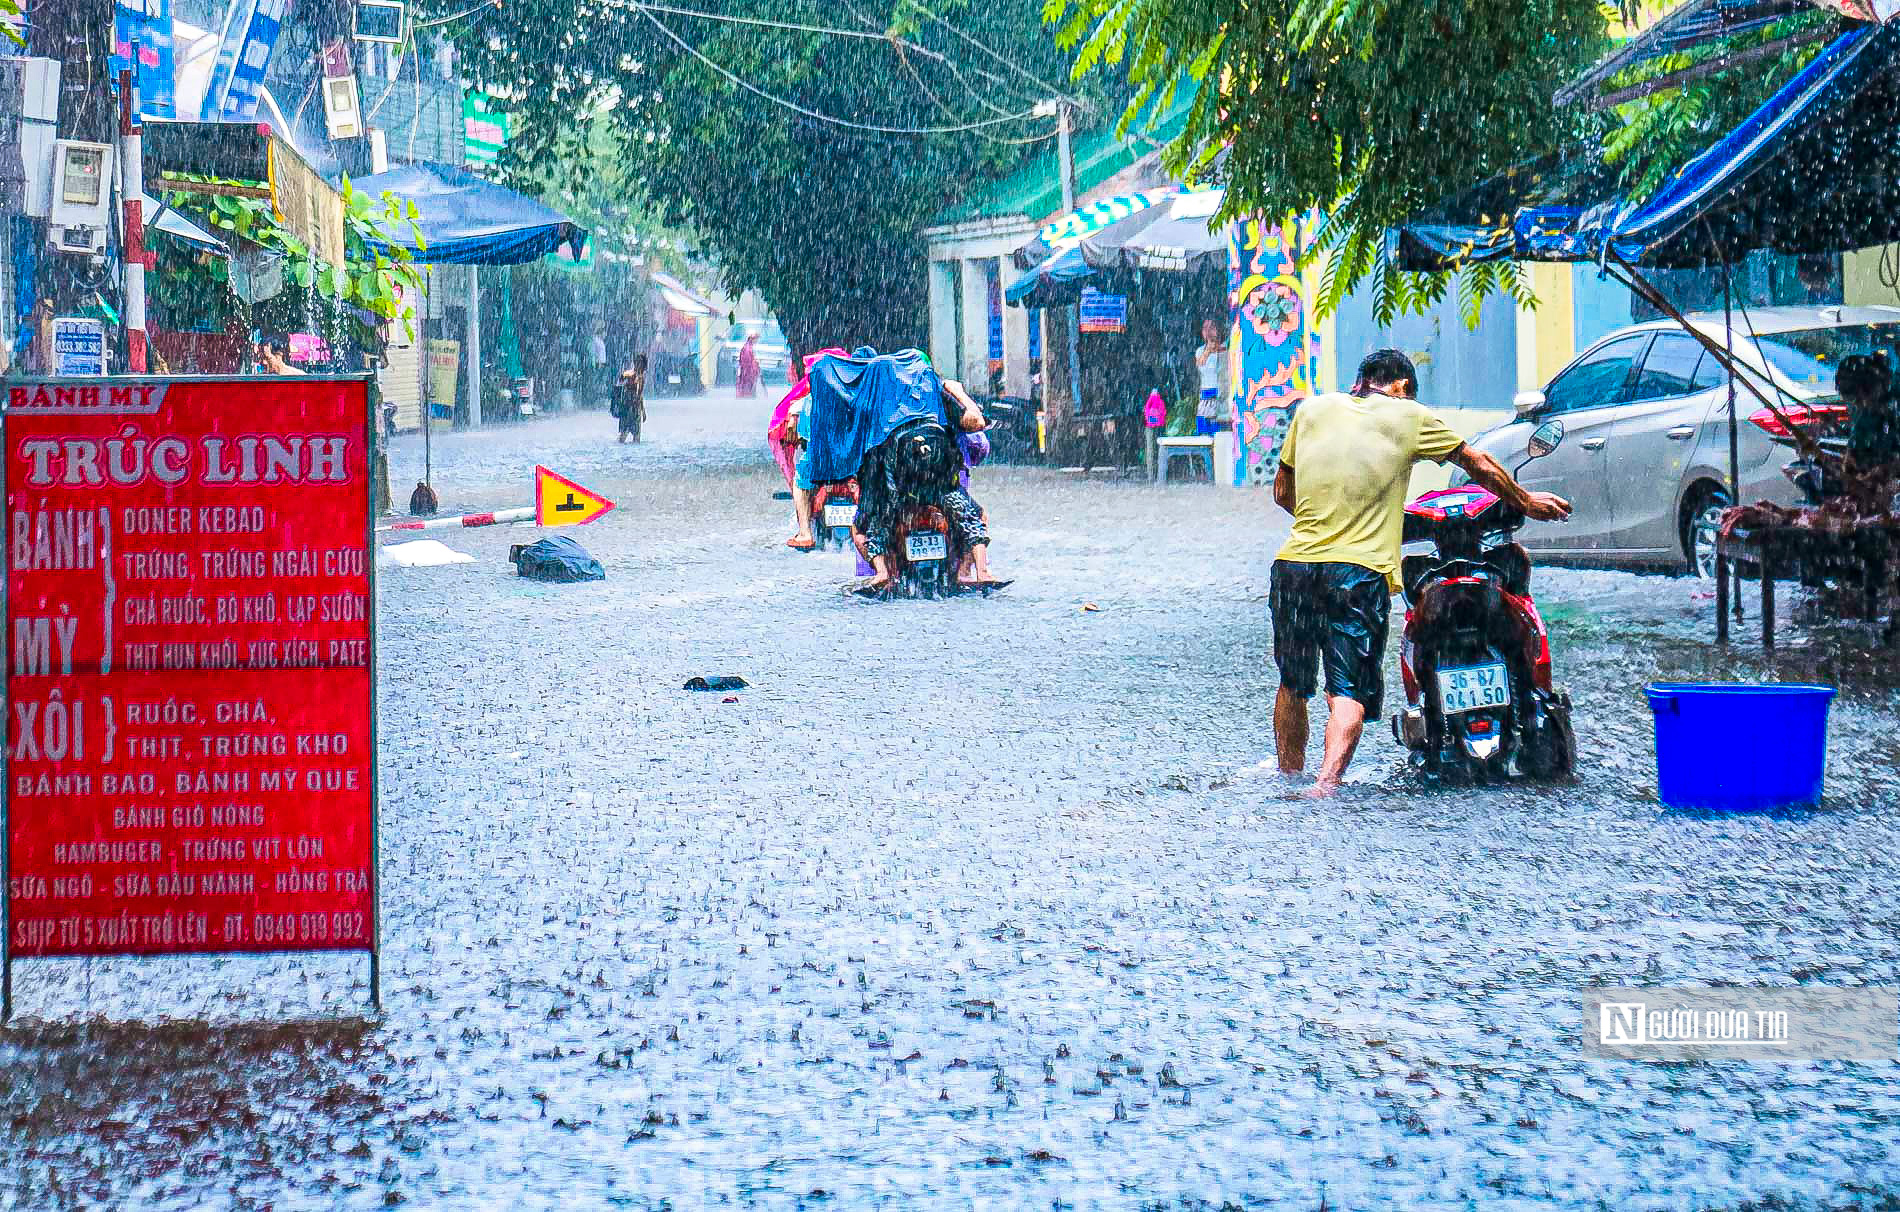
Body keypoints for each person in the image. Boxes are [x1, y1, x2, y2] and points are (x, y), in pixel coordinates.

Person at [1270, 349, 1571, 797]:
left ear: (1359, 381)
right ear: (1401, 387)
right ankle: (1325, 785)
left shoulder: (1312, 409)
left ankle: (1288, 777)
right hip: (1358, 572)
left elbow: (1282, 493)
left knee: (1294, 684)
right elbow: (1479, 465)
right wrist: (1526, 502)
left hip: (1294, 566)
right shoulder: (1408, 414)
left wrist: (1331, 517)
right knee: (1345, 691)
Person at [857, 377, 999, 589]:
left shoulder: (879, 408)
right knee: (975, 518)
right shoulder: (939, 400)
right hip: (941, 490)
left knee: (864, 527)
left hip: (900, 494)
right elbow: (977, 429)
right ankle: (978, 571)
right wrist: (958, 393)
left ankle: (882, 572)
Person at [1839, 351, 1899, 471]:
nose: (1856, 406)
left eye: (1857, 401)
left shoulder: (1891, 413)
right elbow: (1852, 458)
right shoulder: (1865, 417)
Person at [1194, 317, 1229, 436]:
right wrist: (1209, 350)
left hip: (1221, 396)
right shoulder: (1200, 351)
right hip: (1206, 397)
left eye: (1211, 327)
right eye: (1205, 328)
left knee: (1220, 433)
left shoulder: (1227, 349)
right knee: (1204, 433)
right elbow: (1200, 365)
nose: (1208, 331)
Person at [614, 355, 648, 444]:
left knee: (623, 435)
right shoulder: (640, 377)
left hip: (625, 406)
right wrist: (643, 411)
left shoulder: (626, 373)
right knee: (636, 437)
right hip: (634, 408)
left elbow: (618, 386)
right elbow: (639, 395)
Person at [736, 333, 762, 398]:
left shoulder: (748, 347)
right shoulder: (747, 348)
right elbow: (748, 362)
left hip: (749, 371)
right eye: (756, 339)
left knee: (749, 386)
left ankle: (747, 395)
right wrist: (755, 366)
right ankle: (746, 395)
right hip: (748, 372)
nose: (756, 341)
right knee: (748, 386)